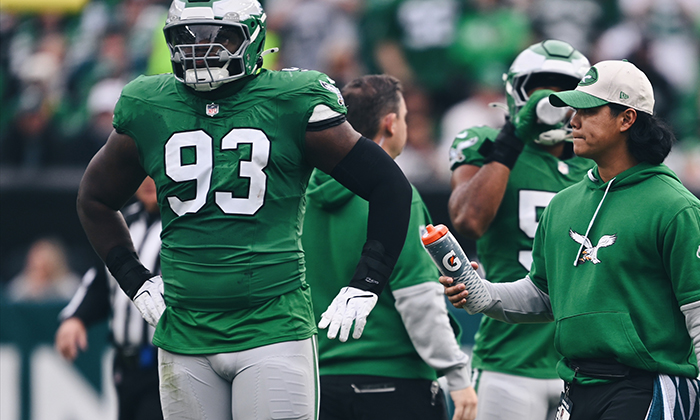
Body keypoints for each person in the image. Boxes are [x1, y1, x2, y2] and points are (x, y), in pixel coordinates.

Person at [75, 0, 413, 419]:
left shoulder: (292, 98)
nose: (200, 51)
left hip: (272, 326)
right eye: (189, 37)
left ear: (252, 39)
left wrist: (367, 281)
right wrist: (135, 279)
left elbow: (389, 185)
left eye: (218, 38)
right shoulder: (150, 104)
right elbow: (94, 199)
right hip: (185, 333)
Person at [441, 60, 700, 420]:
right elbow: (544, 295)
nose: (572, 121)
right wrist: (484, 295)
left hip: (648, 387)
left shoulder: (677, 207)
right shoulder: (563, 204)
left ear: (626, 119)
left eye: (588, 110)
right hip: (578, 387)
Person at [303, 74, 478, 420]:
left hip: (315, 387)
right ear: (391, 123)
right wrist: (458, 377)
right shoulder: (398, 197)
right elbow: (417, 299)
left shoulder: (298, 196)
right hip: (393, 387)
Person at [446, 39, 592, 420]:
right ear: (515, 92)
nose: (553, 102)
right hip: (508, 360)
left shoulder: (595, 164)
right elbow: (468, 221)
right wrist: (512, 139)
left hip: (582, 365)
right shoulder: (487, 143)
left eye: (566, 93)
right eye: (541, 90)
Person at [56, 177, 163, 420]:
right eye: (141, 171)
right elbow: (99, 280)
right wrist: (76, 318)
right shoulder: (123, 222)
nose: (147, 179)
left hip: (164, 362)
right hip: (125, 367)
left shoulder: (184, 226)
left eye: (155, 171)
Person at [5, 236, 81, 302]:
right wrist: (34, 289)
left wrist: (49, 287)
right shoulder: (22, 282)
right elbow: (12, 299)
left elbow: (75, 299)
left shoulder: (69, 281)